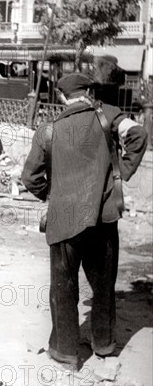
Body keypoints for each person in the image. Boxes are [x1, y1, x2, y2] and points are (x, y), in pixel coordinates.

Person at [21, 73, 147, 369]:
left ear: (63, 97)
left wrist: (50, 194)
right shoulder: (110, 117)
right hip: (103, 218)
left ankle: (66, 353)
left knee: (63, 288)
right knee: (103, 286)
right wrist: (121, 173)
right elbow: (139, 135)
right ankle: (104, 345)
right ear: (87, 93)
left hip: (64, 220)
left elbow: (30, 177)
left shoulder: (48, 131)